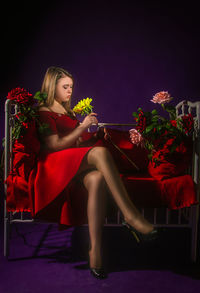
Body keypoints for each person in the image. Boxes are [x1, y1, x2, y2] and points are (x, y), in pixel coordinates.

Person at [35, 66, 159, 279]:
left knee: (97, 178)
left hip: (72, 162)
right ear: (51, 86)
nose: (70, 91)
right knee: (100, 154)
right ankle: (130, 216)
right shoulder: (44, 112)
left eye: (71, 86)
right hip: (53, 165)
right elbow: (54, 145)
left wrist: (93, 136)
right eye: (65, 87)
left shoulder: (68, 111)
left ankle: (95, 251)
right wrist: (83, 127)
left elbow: (75, 142)